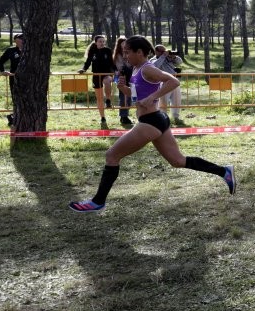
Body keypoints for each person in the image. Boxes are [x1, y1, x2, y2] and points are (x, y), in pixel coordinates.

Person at [69, 35, 236, 213]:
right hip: (156, 120)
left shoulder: (147, 68)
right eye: (124, 52)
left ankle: (97, 201)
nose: (125, 56)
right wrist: (123, 88)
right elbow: (137, 96)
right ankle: (224, 172)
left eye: (127, 52)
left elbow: (174, 81)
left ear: (140, 52)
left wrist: (153, 97)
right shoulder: (136, 69)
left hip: (151, 122)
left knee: (111, 155)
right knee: (178, 161)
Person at [78, 35, 116, 127]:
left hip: (106, 74)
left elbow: (111, 62)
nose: (102, 43)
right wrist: (83, 69)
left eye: (103, 41)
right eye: (100, 41)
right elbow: (87, 62)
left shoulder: (107, 50)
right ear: (96, 42)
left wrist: (116, 70)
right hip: (96, 75)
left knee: (107, 81)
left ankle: (108, 100)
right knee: (99, 98)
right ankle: (102, 117)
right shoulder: (92, 51)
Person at [151, 45, 184, 123]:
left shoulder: (168, 58)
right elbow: (155, 65)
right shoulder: (153, 59)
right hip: (163, 82)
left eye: (164, 51)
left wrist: (174, 57)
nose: (164, 53)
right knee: (163, 100)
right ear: (156, 51)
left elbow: (180, 62)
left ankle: (176, 117)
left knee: (176, 99)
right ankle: (163, 117)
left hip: (174, 80)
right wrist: (163, 57)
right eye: (162, 51)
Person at [0, 33, 23, 127]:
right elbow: (0, 62)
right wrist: (3, 71)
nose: (21, 40)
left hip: (29, 79)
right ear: (15, 41)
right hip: (14, 78)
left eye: (22, 38)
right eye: (19, 39)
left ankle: (13, 117)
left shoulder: (31, 50)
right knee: (16, 98)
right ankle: (14, 118)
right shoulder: (11, 50)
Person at [113, 36, 134, 126]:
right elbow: (120, 67)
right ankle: (123, 116)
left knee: (129, 97)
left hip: (131, 77)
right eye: (123, 43)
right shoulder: (118, 55)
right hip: (122, 78)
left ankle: (126, 115)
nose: (125, 45)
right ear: (119, 44)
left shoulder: (130, 53)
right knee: (123, 97)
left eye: (126, 43)